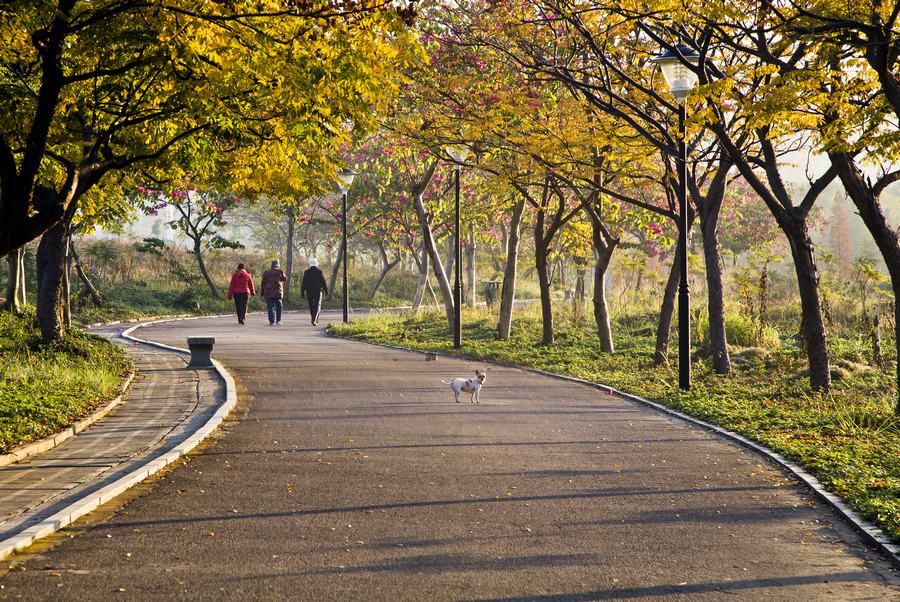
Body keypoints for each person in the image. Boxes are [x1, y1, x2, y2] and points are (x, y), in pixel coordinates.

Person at [300, 258, 328, 326]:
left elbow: (304, 282)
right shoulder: (319, 272)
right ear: (316, 264)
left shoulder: (306, 272)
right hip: (318, 291)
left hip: (309, 291)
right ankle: (314, 319)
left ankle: (314, 318)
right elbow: (323, 282)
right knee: (317, 305)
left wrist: (302, 291)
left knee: (311, 305)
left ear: (310, 264)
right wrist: (326, 290)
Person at [261, 259, 287, 326]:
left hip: (268, 292)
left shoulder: (266, 272)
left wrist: (262, 292)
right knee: (279, 306)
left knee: (270, 307)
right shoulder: (280, 271)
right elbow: (284, 279)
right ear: (278, 265)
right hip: (278, 292)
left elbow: (263, 282)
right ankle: (278, 320)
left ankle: (271, 321)